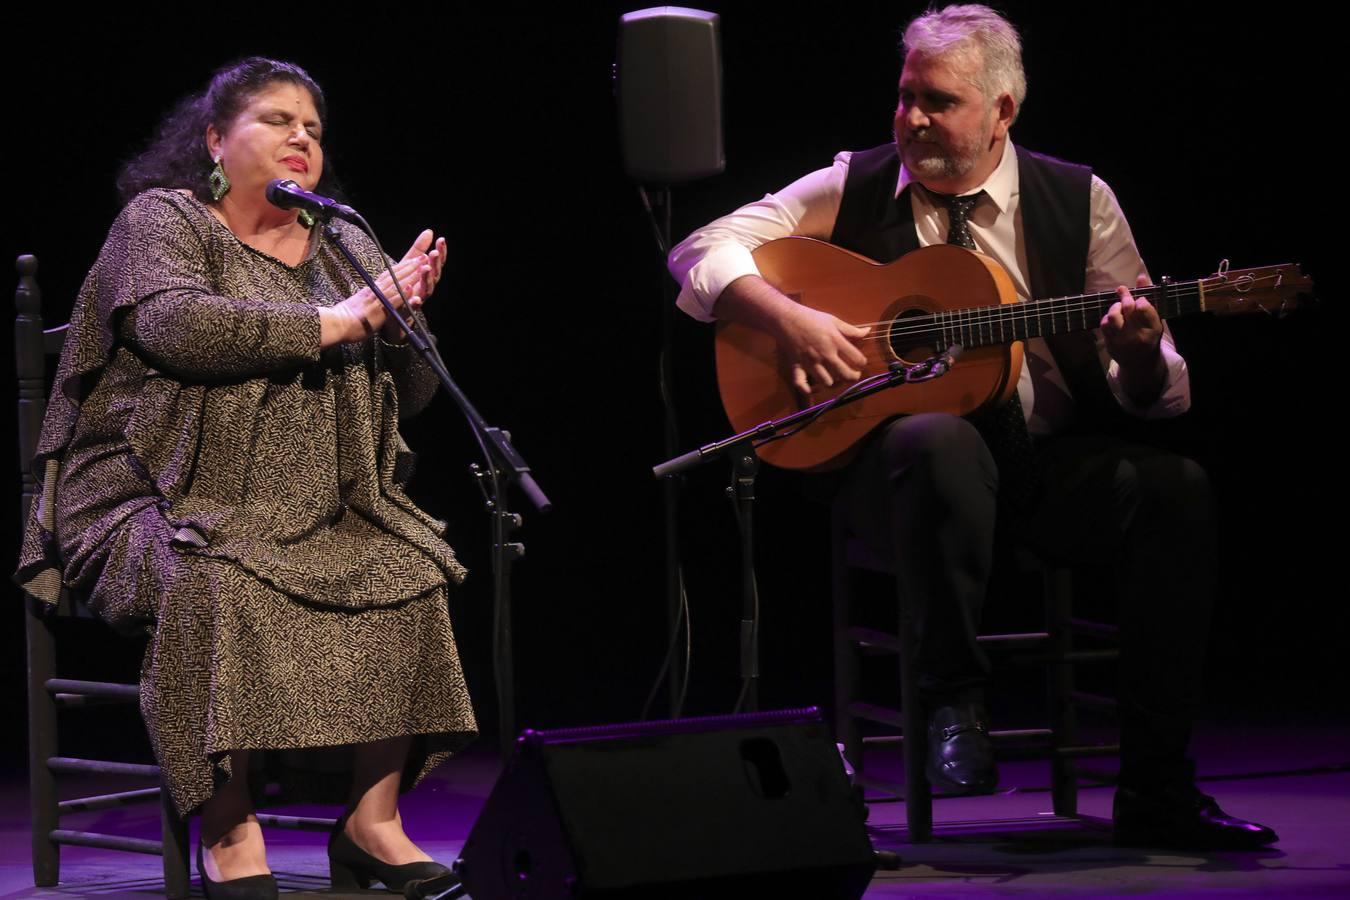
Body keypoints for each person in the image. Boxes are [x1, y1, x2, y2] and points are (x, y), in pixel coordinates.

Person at [668, 5, 1276, 850]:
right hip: (898, 482)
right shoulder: (856, 182)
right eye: (906, 96)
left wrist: (1137, 358)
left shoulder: (1078, 200)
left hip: (1038, 469)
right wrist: (787, 321)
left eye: (940, 102)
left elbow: (1158, 393)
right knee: (934, 439)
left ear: (1003, 113)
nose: (913, 118)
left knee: (1176, 490)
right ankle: (952, 696)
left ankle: (1159, 787)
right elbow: (702, 248)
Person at [15, 58, 476, 896]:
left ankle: (371, 825)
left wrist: (404, 324)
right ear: (215, 140)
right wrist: (338, 322)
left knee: (413, 573)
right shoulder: (164, 220)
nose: (301, 137)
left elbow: (410, 400)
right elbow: (175, 327)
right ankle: (229, 831)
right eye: (276, 120)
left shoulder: (346, 243)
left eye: (314, 128)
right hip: (145, 494)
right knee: (218, 582)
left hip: (317, 500)